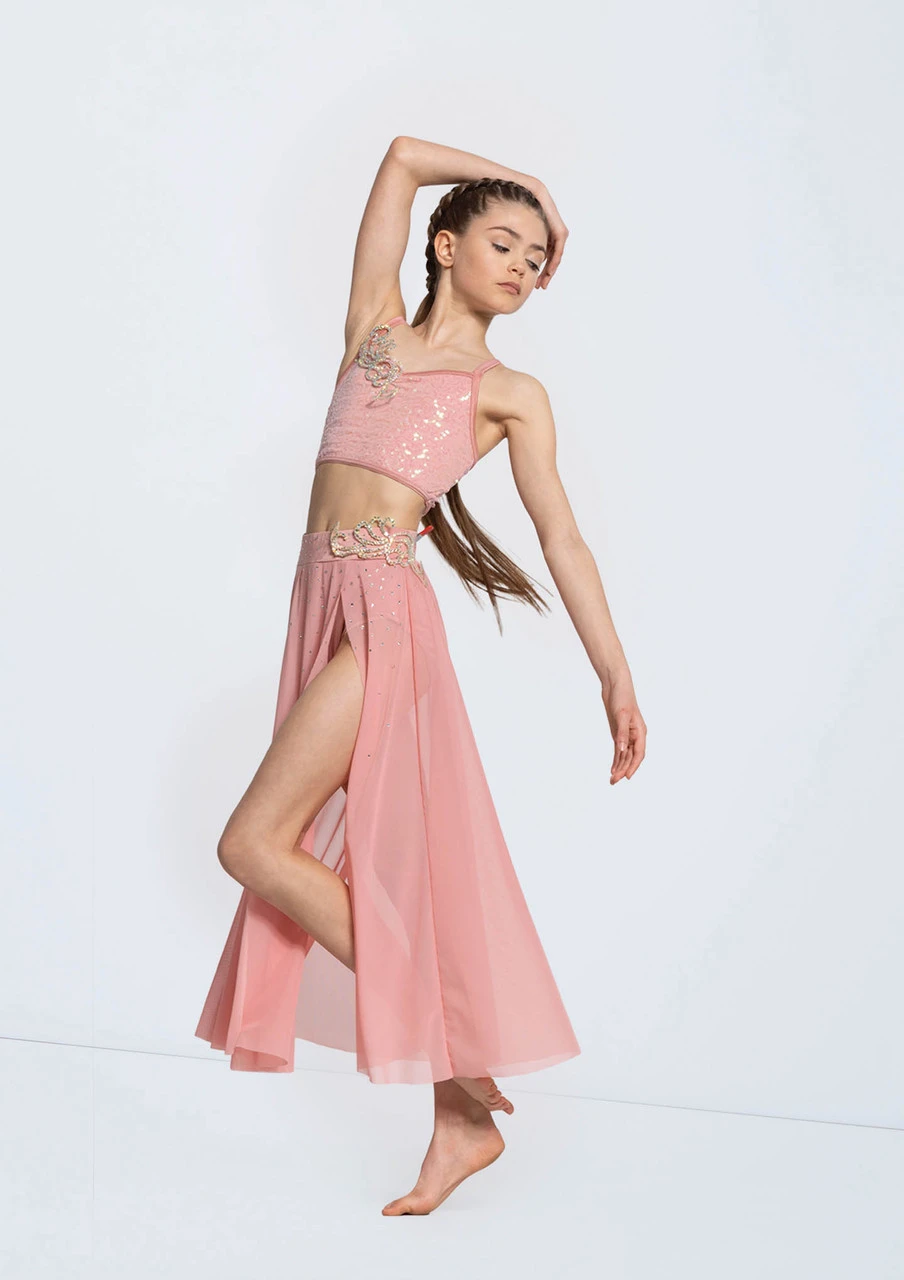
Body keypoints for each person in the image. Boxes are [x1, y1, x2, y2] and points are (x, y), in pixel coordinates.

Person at [194, 135, 647, 1215]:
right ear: (444, 246)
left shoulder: (510, 392)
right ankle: (459, 1110)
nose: (523, 264)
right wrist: (536, 185)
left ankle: (452, 1056)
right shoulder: (375, 332)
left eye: (536, 255)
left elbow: (563, 539)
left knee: (251, 843)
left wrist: (614, 675)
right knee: (273, 846)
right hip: (320, 603)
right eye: (505, 242)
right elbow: (400, 158)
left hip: (385, 618)